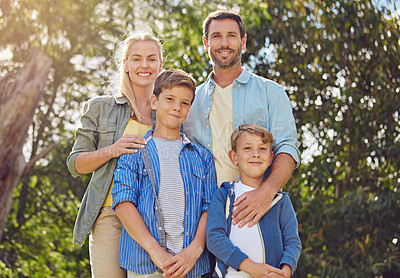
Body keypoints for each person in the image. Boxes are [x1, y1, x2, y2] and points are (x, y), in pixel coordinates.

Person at [182, 10, 300, 228]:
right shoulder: (189, 100)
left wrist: (266, 193)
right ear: (206, 43)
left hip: (257, 211)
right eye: (216, 36)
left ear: (243, 41)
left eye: (232, 36)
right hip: (201, 218)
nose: (224, 43)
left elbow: (287, 148)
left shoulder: (271, 92)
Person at [66, 33, 163, 277]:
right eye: (136, 59)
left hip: (154, 218)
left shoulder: (169, 111)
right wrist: (113, 149)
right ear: (126, 64)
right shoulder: (101, 107)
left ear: (160, 65)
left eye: (151, 59)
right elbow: (75, 164)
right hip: (110, 215)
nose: (144, 65)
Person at [111, 69, 218, 278]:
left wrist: (194, 250)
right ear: (154, 101)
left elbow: (210, 207)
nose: (177, 107)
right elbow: (123, 203)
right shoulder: (135, 151)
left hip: (192, 266)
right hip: (145, 264)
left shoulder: (202, 157)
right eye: (169, 99)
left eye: (185, 103)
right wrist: (156, 252)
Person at [206, 124, 301, 278]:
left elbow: (292, 242)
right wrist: (251, 267)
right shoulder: (224, 195)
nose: (256, 154)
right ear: (234, 157)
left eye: (262, 149)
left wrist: (284, 272)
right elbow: (214, 238)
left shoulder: (281, 201)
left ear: (271, 158)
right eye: (247, 148)